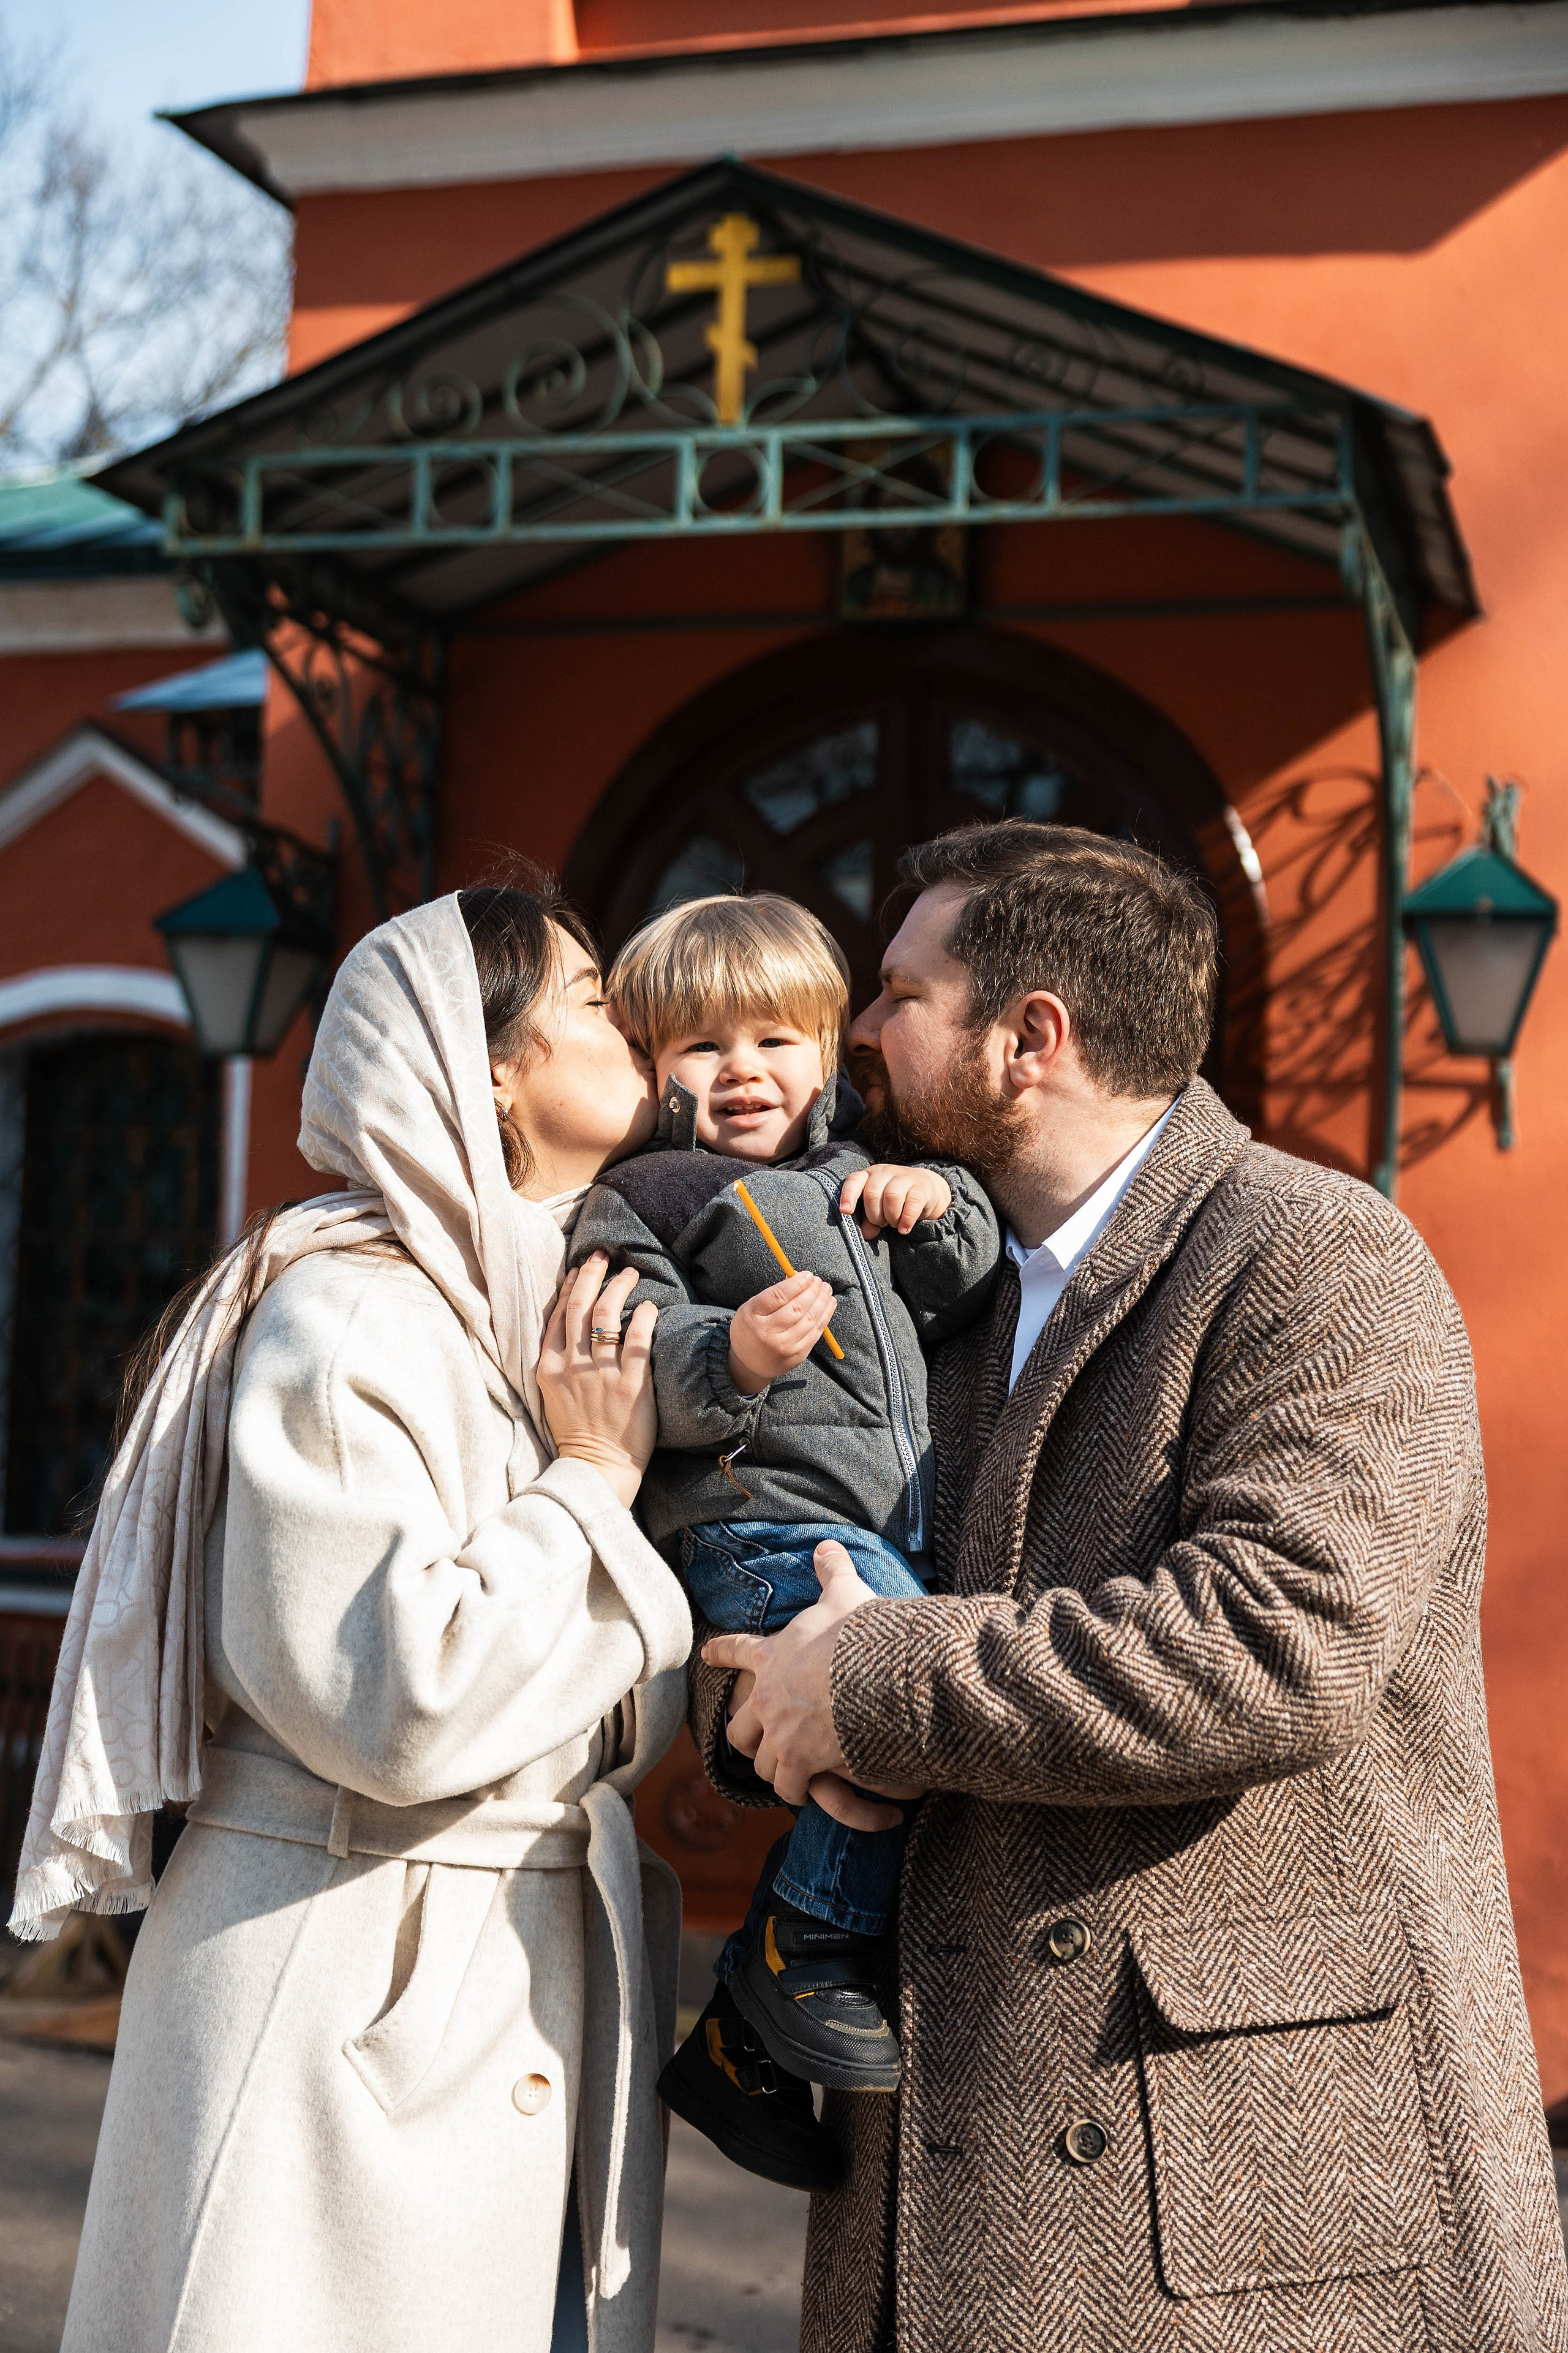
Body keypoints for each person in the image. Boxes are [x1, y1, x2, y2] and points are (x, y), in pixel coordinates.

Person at [697, 821, 1568, 2353]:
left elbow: (1274, 1638)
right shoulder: (921, 1294)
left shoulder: (1316, 1256)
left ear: (1029, 1038)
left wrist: (865, 1684)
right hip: (941, 2171)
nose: (860, 1034)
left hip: (1242, 2198)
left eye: (899, 993)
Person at [10, 880, 694, 2353]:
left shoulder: (535, 1309)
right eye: (586, 995)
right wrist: (588, 1482)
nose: (625, 1018)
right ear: (485, 1067)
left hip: (499, 1987)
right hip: (348, 1990)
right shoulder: (354, 1319)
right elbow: (393, 1695)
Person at [570, 894, 997, 2183]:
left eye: (772, 1038)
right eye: (699, 1047)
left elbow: (971, 1276)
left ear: (825, 1049)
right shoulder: (645, 1196)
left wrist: (934, 1204)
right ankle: (799, 1950)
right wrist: (733, 1355)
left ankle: (744, 2049)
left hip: (884, 1529)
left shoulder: (864, 1166)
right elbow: (630, 1354)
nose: (739, 1070)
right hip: (756, 1527)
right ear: (651, 1067)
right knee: (886, 1709)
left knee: (898, 1734)